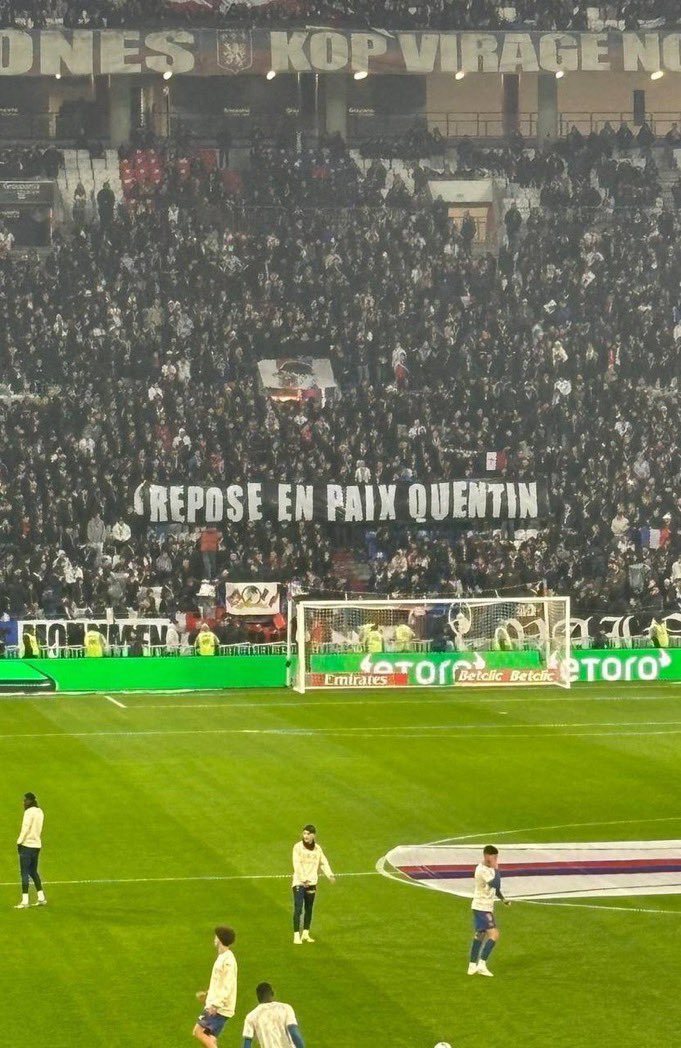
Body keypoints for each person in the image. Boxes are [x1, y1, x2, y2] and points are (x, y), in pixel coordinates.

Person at [467, 844, 510, 977]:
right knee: (494, 934)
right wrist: (497, 869)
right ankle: (482, 964)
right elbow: (496, 883)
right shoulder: (481, 870)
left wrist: (502, 899)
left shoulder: (489, 868)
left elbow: (495, 889)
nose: (496, 860)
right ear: (487, 856)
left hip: (482, 906)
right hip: (482, 907)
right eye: (494, 857)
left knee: (480, 934)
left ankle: (472, 965)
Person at [193, 926, 238, 1047]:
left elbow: (228, 985)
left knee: (198, 1032)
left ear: (219, 939)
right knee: (209, 1039)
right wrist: (207, 994)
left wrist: (215, 1005)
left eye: (216, 936)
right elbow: (219, 982)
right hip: (215, 1005)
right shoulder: (223, 957)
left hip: (219, 1008)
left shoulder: (228, 960)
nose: (214, 939)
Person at [291, 824, 335, 945]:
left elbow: (323, 862)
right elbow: (296, 864)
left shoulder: (317, 849)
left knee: (309, 908)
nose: (305, 836)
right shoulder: (297, 847)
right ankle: (296, 935)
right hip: (299, 883)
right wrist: (303, 879)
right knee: (298, 908)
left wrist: (330, 874)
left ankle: (305, 933)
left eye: (308, 834)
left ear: (313, 835)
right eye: (304, 833)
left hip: (312, 883)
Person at [242, 982, 305, 1048]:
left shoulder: (251, 1016)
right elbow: (294, 1033)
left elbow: (247, 1043)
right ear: (272, 993)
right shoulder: (285, 1008)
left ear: (257, 996)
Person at [15, 792, 46, 909]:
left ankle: (25, 901)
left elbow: (25, 828)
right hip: (37, 845)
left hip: (27, 845)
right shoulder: (40, 812)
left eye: (25, 800)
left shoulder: (28, 812)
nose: (23, 802)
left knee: (24, 873)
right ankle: (41, 897)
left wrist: (19, 842)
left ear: (30, 801)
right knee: (33, 872)